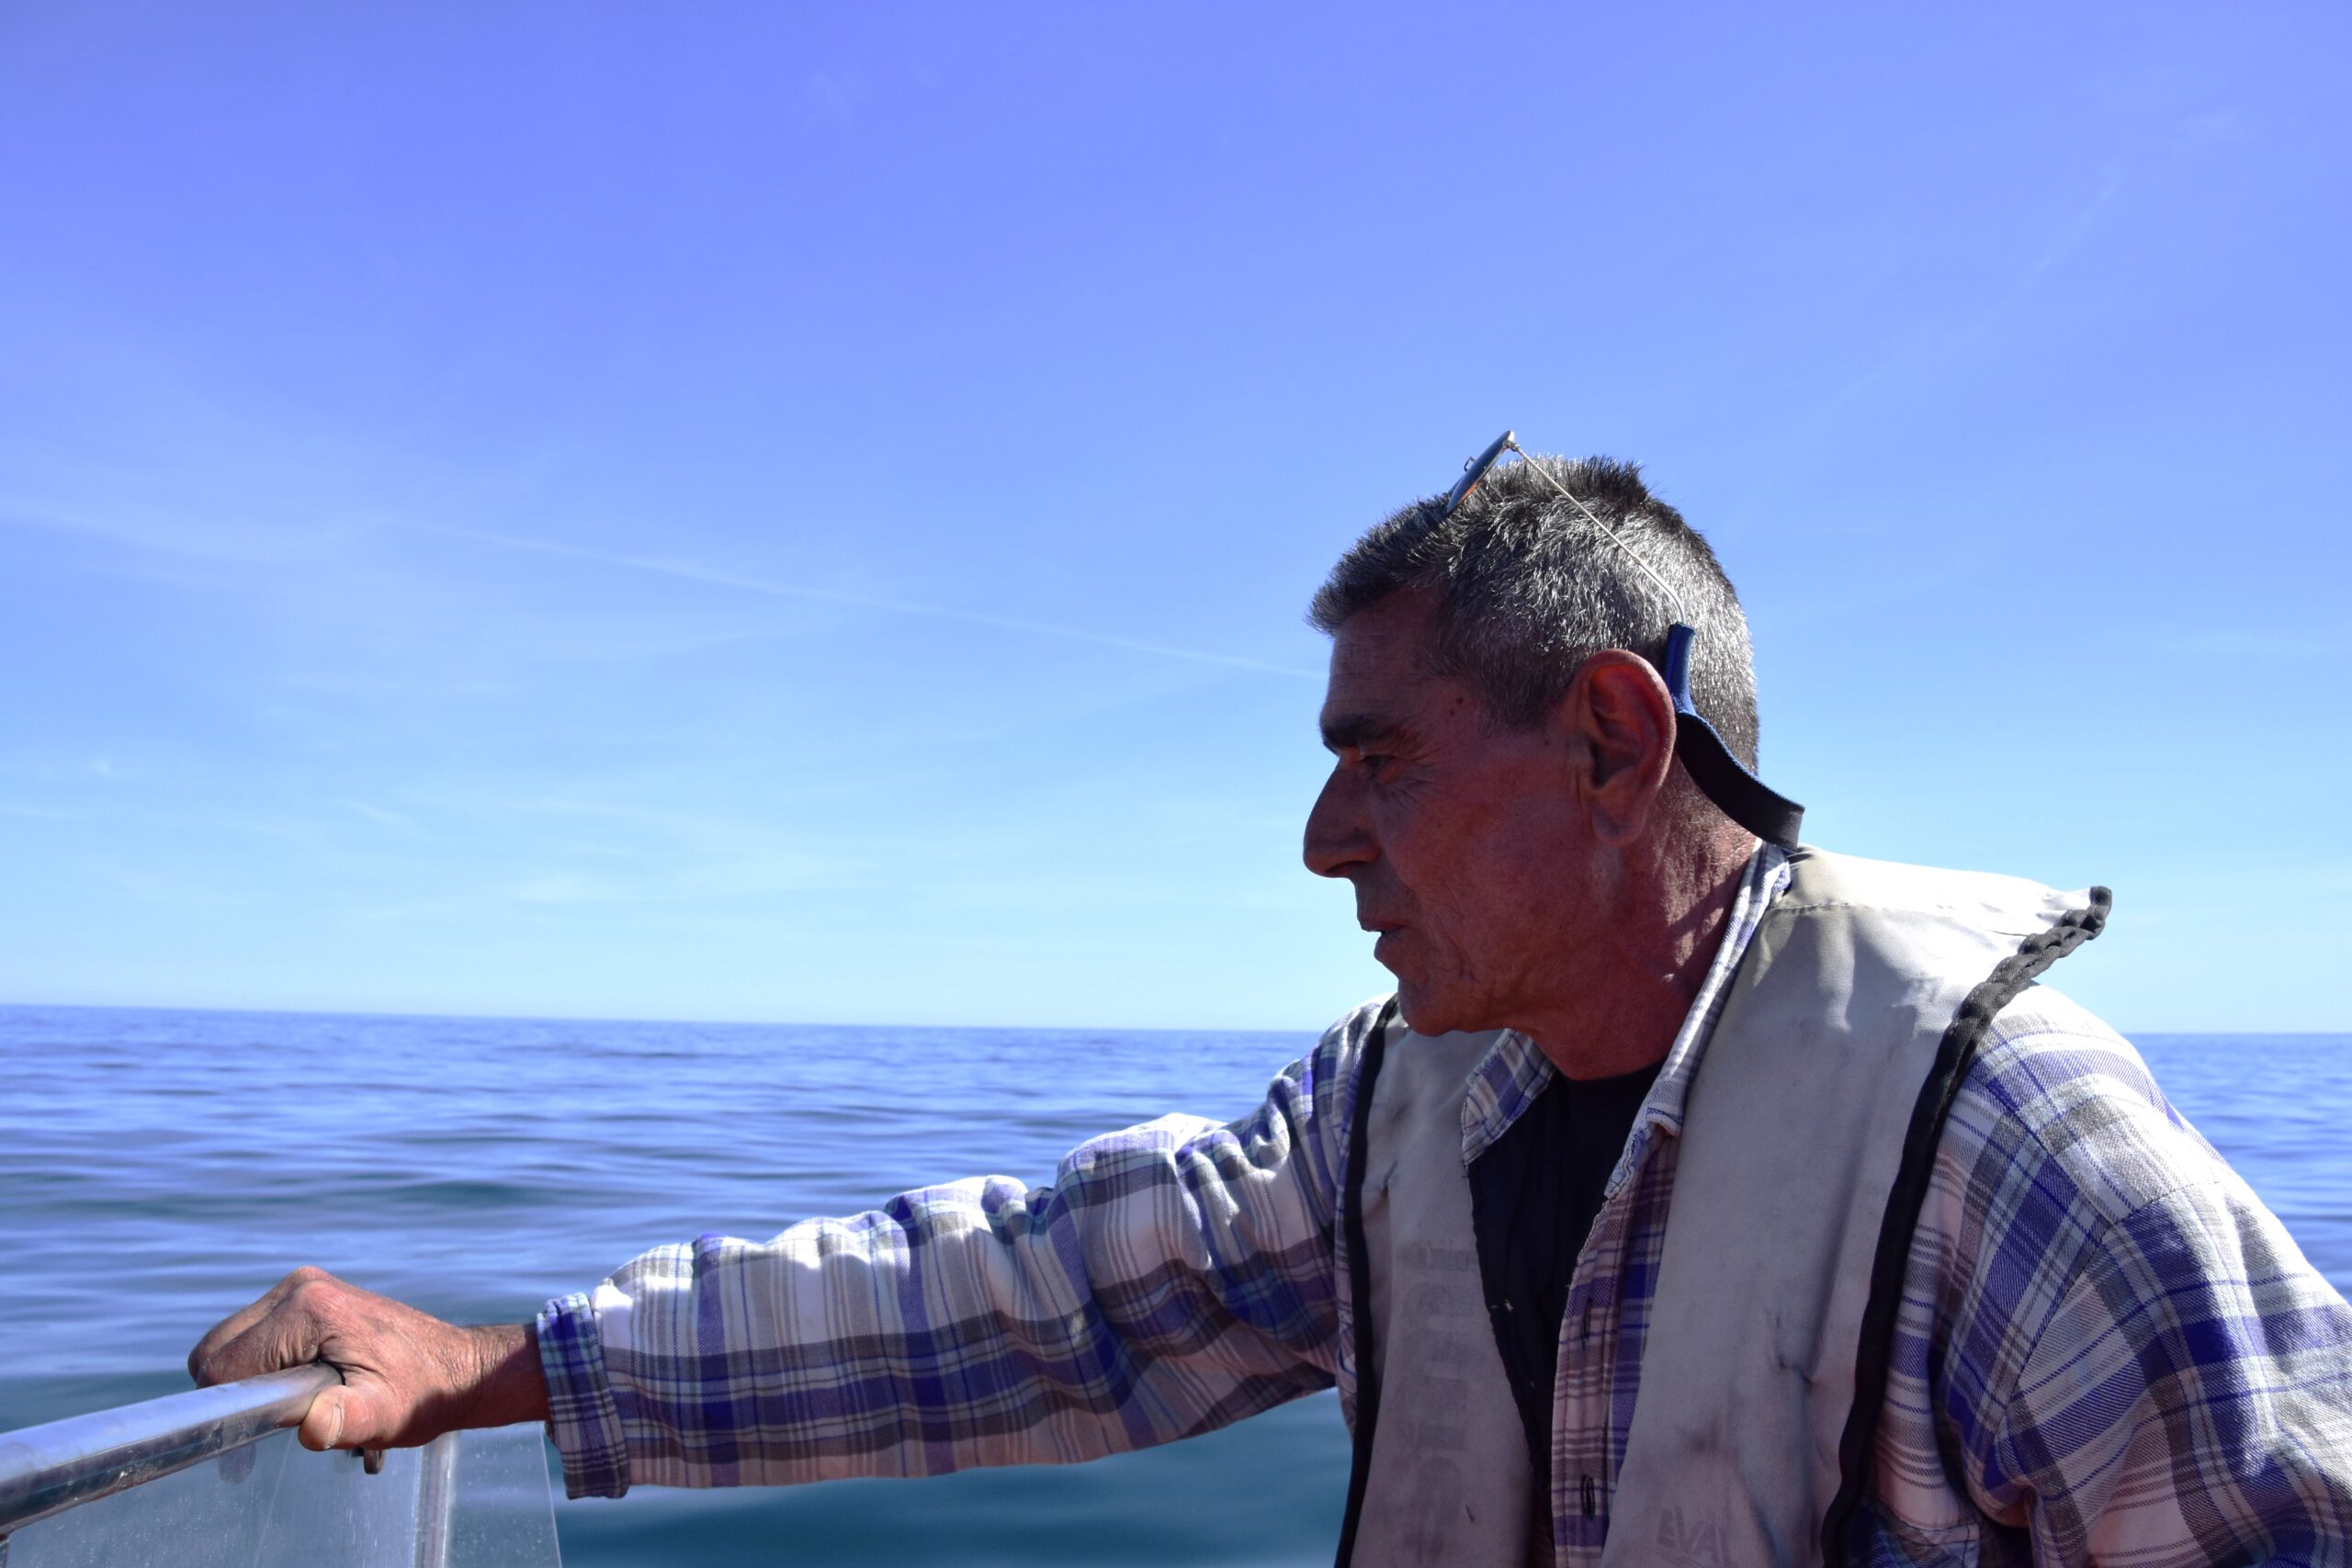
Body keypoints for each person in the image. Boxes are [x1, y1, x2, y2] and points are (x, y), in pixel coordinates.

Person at [190, 443, 2352, 1565]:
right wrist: (494, 1367)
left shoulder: (2011, 1155)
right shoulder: (1399, 1108)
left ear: (1609, 740)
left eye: (1381, 757)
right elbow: (1026, 1298)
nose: (1325, 841)